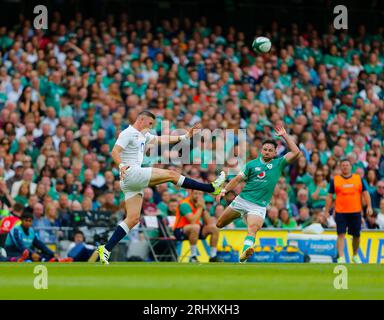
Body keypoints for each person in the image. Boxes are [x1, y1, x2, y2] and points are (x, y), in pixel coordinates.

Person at [98, 110, 226, 264]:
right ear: (141, 120)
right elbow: (115, 151)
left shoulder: (143, 135)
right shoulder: (128, 133)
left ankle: (106, 249)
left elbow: (161, 139)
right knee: (172, 175)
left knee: (132, 219)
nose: (151, 127)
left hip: (129, 180)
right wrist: (121, 165)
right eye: (150, 123)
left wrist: (184, 136)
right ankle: (211, 188)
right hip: (130, 173)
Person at [216, 125, 301, 262]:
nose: (267, 152)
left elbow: (296, 152)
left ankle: (244, 253)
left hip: (258, 206)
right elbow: (237, 179)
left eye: (270, 150)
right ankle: (242, 218)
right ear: (261, 151)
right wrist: (225, 190)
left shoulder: (278, 164)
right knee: (219, 224)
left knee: (253, 229)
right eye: (265, 149)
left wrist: (285, 135)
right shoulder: (251, 165)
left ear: (275, 153)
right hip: (242, 200)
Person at [324, 158, 373, 264]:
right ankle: (341, 257)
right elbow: (329, 196)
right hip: (341, 212)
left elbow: (365, 193)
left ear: (351, 167)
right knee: (340, 234)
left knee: (356, 235)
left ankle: (355, 255)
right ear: (340, 167)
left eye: (347, 165)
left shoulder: (358, 179)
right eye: (343, 165)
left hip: (355, 211)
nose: (345, 167)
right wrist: (327, 210)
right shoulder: (335, 180)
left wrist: (369, 206)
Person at [173, 190, 221, 262]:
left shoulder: (199, 204)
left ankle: (213, 256)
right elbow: (192, 221)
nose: (198, 196)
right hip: (180, 230)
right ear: (191, 194)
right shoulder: (185, 204)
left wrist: (203, 209)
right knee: (195, 227)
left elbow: (209, 222)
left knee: (214, 228)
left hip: (196, 229)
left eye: (200, 194)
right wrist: (200, 208)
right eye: (195, 193)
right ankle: (193, 256)